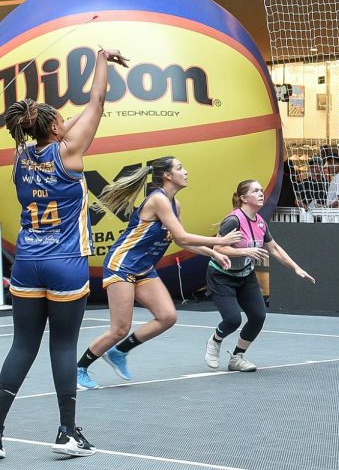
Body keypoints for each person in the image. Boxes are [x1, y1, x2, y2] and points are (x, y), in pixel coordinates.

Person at [0, 46, 127, 459]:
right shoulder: (69, 154)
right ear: (56, 129)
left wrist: (53, 122)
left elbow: (59, 125)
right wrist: (102, 57)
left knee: (22, 346)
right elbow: (97, 101)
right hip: (66, 261)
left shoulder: (21, 159)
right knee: (61, 346)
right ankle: (67, 433)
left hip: (27, 262)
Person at [75, 157, 241, 390]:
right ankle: (80, 368)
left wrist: (212, 252)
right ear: (167, 175)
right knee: (120, 328)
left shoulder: (175, 204)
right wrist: (219, 241)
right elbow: (183, 237)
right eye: (180, 168)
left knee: (167, 317)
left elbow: (179, 240)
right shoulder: (158, 200)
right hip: (122, 265)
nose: (186, 171)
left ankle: (119, 353)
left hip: (143, 269)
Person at [204, 180, 316, 371]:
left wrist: (295, 268)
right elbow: (217, 247)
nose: (261, 193)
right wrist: (245, 252)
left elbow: (274, 248)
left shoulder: (261, 222)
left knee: (258, 316)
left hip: (245, 275)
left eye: (261, 190)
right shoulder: (234, 220)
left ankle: (237, 357)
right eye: (255, 191)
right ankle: (215, 341)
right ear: (243, 198)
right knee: (233, 320)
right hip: (221, 275)